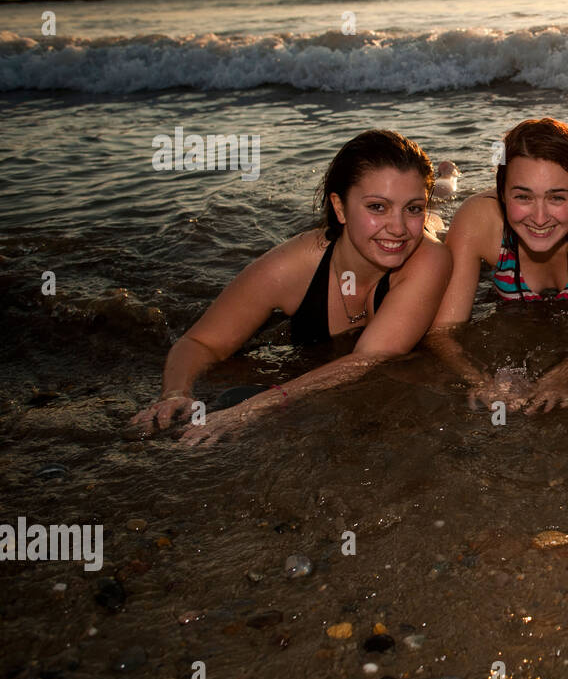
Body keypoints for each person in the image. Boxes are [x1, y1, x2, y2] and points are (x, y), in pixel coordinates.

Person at [130, 129, 453, 444]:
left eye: (412, 208)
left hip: (432, 231)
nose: (397, 228)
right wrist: (176, 393)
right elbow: (200, 341)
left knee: (440, 205)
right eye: (377, 207)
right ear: (339, 208)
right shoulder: (288, 268)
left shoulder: (430, 259)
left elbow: (373, 355)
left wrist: (253, 408)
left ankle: (448, 179)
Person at [428, 118, 568, 413]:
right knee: (434, 213)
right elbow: (442, 332)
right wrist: (480, 381)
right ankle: (449, 177)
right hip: (465, 228)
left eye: (556, 197)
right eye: (523, 197)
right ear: (502, 194)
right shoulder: (477, 218)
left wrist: (564, 374)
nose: (539, 218)